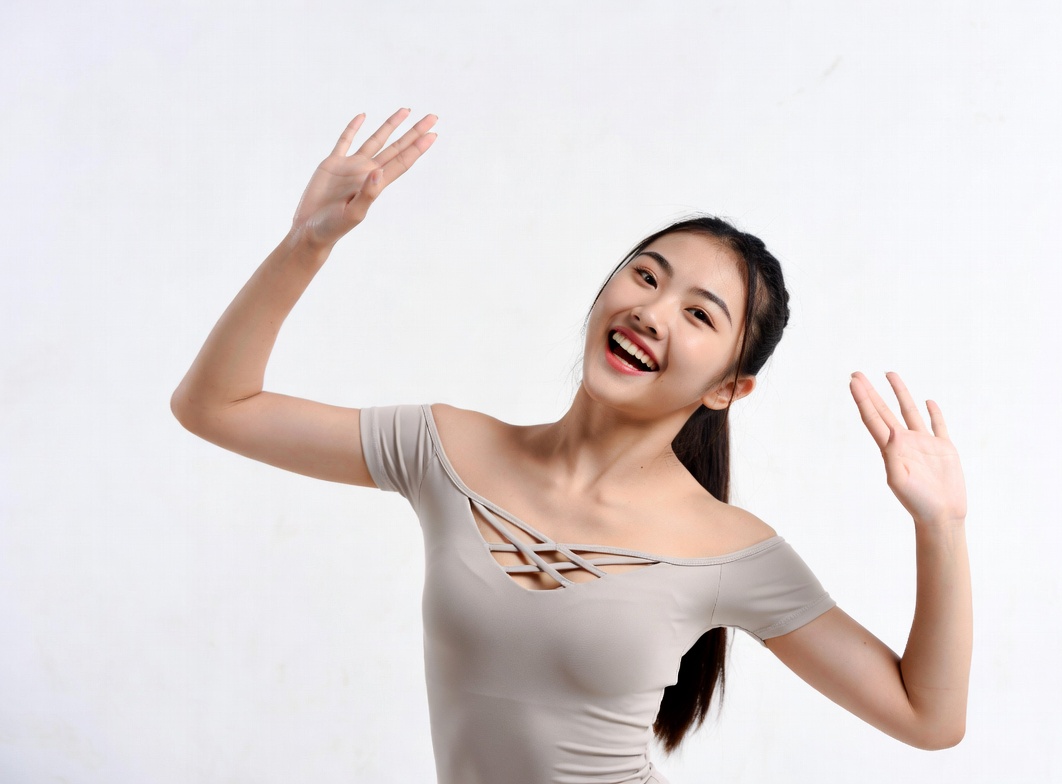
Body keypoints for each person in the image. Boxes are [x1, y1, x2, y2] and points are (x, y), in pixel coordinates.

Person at [171, 109, 971, 784]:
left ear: (727, 389)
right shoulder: (443, 449)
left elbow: (927, 718)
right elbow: (215, 408)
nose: (652, 312)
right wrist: (306, 243)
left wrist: (940, 526)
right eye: (647, 277)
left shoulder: (730, 549)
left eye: (699, 314)